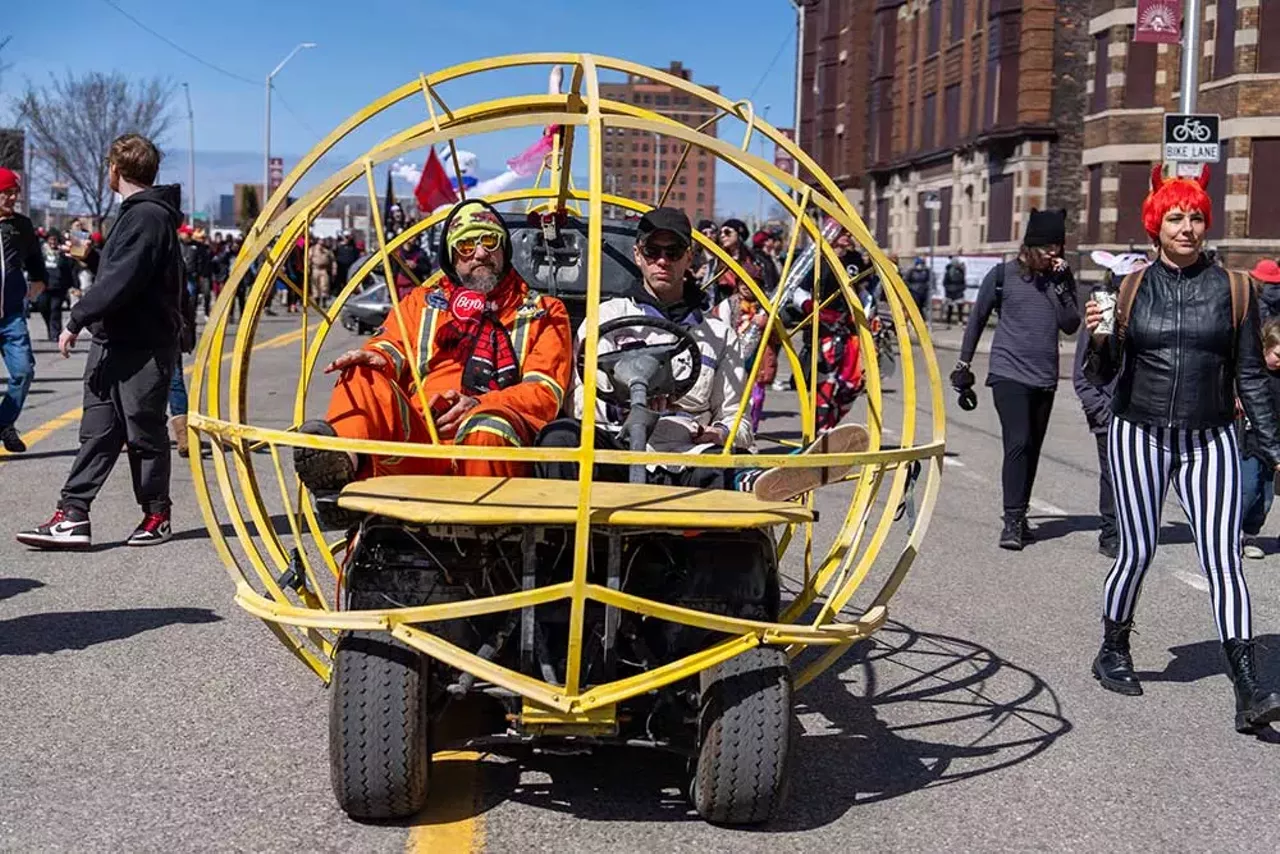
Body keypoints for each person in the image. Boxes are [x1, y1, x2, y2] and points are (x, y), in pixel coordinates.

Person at [1082, 164, 1280, 733]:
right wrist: (1098, 338)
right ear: (1156, 227)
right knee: (1137, 550)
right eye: (1176, 217)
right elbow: (1105, 372)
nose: (1188, 227)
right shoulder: (1131, 288)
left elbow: (1251, 375)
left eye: (1195, 217)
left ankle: (1247, 687)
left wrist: (1271, 445)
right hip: (1139, 431)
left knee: (1224, 559)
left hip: (1212, 435)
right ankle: (1113, 648)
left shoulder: (1236, 289)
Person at [536, 207, 865, 499]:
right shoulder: (607, 318)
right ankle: (558, 546)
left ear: (688, 257)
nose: (662, 260)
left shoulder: (718, 333)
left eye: (673, 250)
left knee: (721, 462)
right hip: (617, 450)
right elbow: (580, 404)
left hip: (688, 454)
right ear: (638, 255)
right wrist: (632, 406)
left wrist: (717, 431)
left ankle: (766, 477)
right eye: (653, 251)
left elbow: (737, 417)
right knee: (560, 438)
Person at [292, 199, 572, 525]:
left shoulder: (545, 311)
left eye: (489, 241)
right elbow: (389, 345)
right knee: (361, 371)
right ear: (452, 256)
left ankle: (483, 541)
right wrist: (378, 357)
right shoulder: (422, 302)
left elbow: (544, 392)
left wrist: (478, 404)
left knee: (488, 425)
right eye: (466, 245)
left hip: (493, 446)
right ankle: (340, 477)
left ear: (504, 249)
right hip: (422, 441)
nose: (479, 253)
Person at [18, 134, 185, 549]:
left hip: (142, 346)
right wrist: (92, 258)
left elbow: (125, 278)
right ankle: (73, 514)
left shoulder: (148, 216)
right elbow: (126, 271)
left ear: (115, 169)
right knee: (98, 431)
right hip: (115, 342)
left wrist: (77, 317)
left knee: (144, 434)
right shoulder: (136, 215)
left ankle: (156, 514)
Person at [952, 209, 1080, 550]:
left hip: (1045, 376)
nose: (1054, 254)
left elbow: (1071, 324)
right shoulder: (1002, 276)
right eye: (1048, 247)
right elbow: (977, 320)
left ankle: (1021, 516)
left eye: (1059, 247)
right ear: (1031, 246)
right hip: (1008, 373)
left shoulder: (1059, 281)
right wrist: (964, 365)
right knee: (1019, 441)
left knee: (1033, 449)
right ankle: (1011, 522)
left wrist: (1063, 285)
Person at [792, 230, 869, 431]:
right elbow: (798, 292)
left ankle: (831, 424)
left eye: (848, 232)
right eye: (842, 232)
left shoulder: (855, 260)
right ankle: (819, 430)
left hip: (850, 330)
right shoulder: (816, 259)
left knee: (854, 383)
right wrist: (812, 308)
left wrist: (865, 314)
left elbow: (863, 293)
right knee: (825, 381)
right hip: (823, 330)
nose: (848, 235)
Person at [0, 167, 47, 453]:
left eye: (15, 192)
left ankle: (4, 421)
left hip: (12, 315)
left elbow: (35, 261)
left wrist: (39, 281)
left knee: (24, 371)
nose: (13, 197)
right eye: (7, 191)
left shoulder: (22, 225)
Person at [1238, 318, 1280, 559]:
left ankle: (1251, 533)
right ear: (1265, 347)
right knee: (1248, 489)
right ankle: (1232, 533)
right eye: (1277, 355)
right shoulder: (1252, 372)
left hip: (1273, 445)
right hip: (1251, 441)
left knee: (1265, 496)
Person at [708, 218, 761, 307]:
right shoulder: (716, 262)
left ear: (739, 234)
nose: (722, 236)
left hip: (748, 309)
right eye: (720, 233)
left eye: (727, 232)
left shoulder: (753, 259)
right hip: (722, 308)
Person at [38, 230, 74, 342]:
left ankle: (55, 333)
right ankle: (50, 327)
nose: (53, 242)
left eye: (55, 240)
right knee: (43, 307)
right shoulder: (41, 252)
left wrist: (71, 285)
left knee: (55, 309)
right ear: (47, 240)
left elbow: (69, 270)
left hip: (59, 286)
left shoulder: (63, 254)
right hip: (44, 285)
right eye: (51, 239)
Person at [309, 236, 336, 308]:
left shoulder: (327, 250)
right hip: (315, 269)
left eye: (323, 240)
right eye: (321, 240)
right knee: (315, 285)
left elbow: (333, 260)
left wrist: (334, 269)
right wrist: (308, 268)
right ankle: (317, 301)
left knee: (325, 285)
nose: (322, 242)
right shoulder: (312, 249)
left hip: (324, 270)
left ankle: (324, 301)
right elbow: (308, 259)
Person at [942, 255, 967, 327]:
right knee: (950, 308)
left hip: (959, 292)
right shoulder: (948, 272)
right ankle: (948, 322)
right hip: (950, 292)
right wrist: (948, 289)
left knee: (960, 307)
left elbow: (963, 282)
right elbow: (945, 282)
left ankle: (960, 321)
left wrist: (962, 288)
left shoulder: (961, 271)